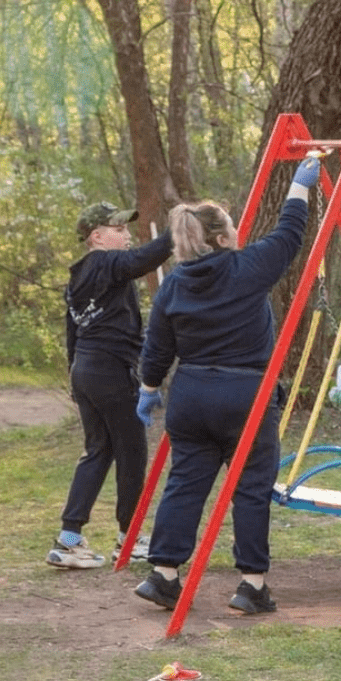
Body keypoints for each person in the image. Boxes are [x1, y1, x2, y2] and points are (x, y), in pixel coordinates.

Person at [132, 156, 320, 614]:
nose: (239, 235)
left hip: (190, 396)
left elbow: (157, 349)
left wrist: (149, 388)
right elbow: (290, 234)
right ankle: (251, 585)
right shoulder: (245, 269)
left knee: (186, 483)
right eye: (233, 229)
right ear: (220, 239)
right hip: (245, 396)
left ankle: (164, 576)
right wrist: (299, 187)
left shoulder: (174, 285)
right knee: (252, 486)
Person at [48, 202, 173, 569]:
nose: (127, 234)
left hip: (86, 369)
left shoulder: (78, 277)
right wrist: (178, 231)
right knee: (132, 451)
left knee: (98, 450)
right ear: (97, 237)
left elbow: (73, 331)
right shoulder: (104, 262)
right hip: (111, 369)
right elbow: (140, 260)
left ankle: (69, 539)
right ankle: (129, 538)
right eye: (118, 229)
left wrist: (76, 376)